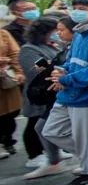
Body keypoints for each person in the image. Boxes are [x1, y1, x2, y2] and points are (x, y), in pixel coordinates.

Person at [23, 0, 88, 185]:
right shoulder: (80, 33)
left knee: (87, 137)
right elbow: (70, 60)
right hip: (67, 92)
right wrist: (60, 71)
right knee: (51, 130)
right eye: (75, 7)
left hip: (85, 96)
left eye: (82, 8)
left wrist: (66, 79)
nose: (76, 11)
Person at [17, 17, 62, 167]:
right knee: (35, 123)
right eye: (56, 30)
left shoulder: (53, 45)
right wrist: (53, 66)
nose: (58, 33)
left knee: (49, 123)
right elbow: (34, 70)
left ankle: (53, 150)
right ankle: (34, 154)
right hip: (39, 92)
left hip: (53, 92)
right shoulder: (29, 49)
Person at [0, 24, 25, 158]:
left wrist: (19, 71)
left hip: (6, 81)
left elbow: (15, 53)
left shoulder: (3, 33)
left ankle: (6, 139)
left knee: (10, 114)